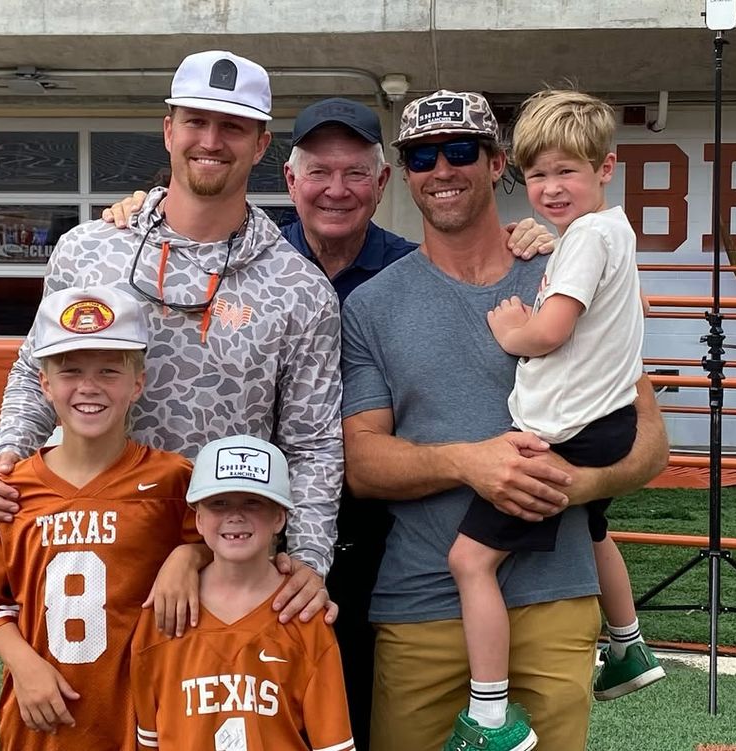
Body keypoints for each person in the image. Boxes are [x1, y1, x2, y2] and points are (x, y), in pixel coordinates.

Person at [101, 96, 554, 751]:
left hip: (383, 531)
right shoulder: (256, 262)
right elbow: (181, 234)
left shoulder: (409, 272)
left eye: (354, 173)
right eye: (318, 172)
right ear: (289, 179)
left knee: (355, 712)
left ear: (381, 183)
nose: (335, 190)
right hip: (260, 528)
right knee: (249, 715)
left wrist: (534, 236)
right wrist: (141, 211)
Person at [339, 89, 670, 751]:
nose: (442, 169)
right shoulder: (372, 305)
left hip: (554, 596)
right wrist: (470, 461)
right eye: (423, 156)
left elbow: (651, 441)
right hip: (422, 604)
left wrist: (572, 485)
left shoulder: (565, 271)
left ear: (496, 165)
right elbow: (362, 462)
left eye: (461, 150)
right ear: (405, 173)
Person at [0, 50, 343, 629]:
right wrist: (9, 454)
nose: (211, 140)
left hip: (226, 565)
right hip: (92, 547)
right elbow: (32, 371)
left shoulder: (299, 288)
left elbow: (314, 444)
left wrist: (311, 561)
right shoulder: (90, 249)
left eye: (233, 126)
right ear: (169, 130)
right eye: (196, 120)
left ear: (262, 144)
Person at [444, 88, 664, 751]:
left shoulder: (586, 241)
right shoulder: (612, 231)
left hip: (570, 428)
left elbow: (552, 330)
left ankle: (489, 716)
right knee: (593, 526)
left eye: (567, 170)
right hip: (603, 419)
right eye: (537, 173)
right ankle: (627, 645)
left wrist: (516, 330)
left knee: (469, 560)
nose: (550, 187)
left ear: (605, 167)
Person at [0, 284, 199, 750]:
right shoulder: (14, 488)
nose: (89, 387)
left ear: (138, 383)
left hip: (145, 716)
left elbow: (227, 553)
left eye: (109, 371)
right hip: (43, 719)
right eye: (70, 371)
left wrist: (191, 556)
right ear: (45, 384)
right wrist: (25, 667)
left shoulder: (176, 480)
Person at [131, 434, 355, 751]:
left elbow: (333, 745)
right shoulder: (166, 611)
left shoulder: (303, 613)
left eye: (253, 501)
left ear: (280, 517)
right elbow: (149, 741)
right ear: (199, 517)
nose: (235, 515)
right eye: (219, 503)